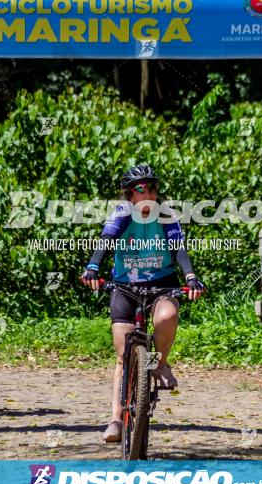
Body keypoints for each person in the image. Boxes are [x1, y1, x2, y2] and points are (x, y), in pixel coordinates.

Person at [81, 164, 205, 443]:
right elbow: (107, 239)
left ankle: (159, 363)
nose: (147, 193)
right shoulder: (123, 213)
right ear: (129, 194)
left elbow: (177, 246)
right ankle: (115, 419)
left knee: (165, 318)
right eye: (140, 189)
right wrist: (92, 267)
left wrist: (191, 276)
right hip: (125, 287)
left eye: (151, 188)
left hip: (161, 284)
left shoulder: (164, 213)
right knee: (123, 354)